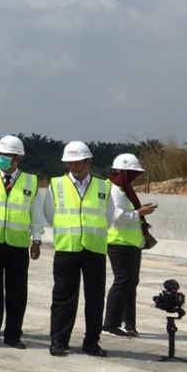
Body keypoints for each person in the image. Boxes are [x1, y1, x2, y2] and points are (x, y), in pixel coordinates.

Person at [44, 140, 150, 358]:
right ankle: (58, 341)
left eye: (77, 162)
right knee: (63, 298)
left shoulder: (104, 187)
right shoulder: (56, 185)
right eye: (69, 163)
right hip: (67, 248)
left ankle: (92, 342)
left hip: (94, 249)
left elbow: (109, 217)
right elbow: (49, 214)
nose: (72, 166)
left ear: (88, 162)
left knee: (94, 298)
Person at [0, 135, 45, 350]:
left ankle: (13, 335)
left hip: (18, 244)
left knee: (17, 292)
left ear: (17, 158)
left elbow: (36, 213)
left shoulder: (30, 181)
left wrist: (37, 239)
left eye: (6, 155)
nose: (1, 158)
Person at [104, 153, 157, 339]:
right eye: (132, 173)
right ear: (123, 172)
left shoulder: (124, 189)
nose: (135, 177)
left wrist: (139, 214)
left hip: (131, 243)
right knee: (123, 282)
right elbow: (117, 216)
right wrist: (139, 213)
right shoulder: (113, 190)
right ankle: (110, 323)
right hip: (119, 242)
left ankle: (129, 324)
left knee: (130, 283)